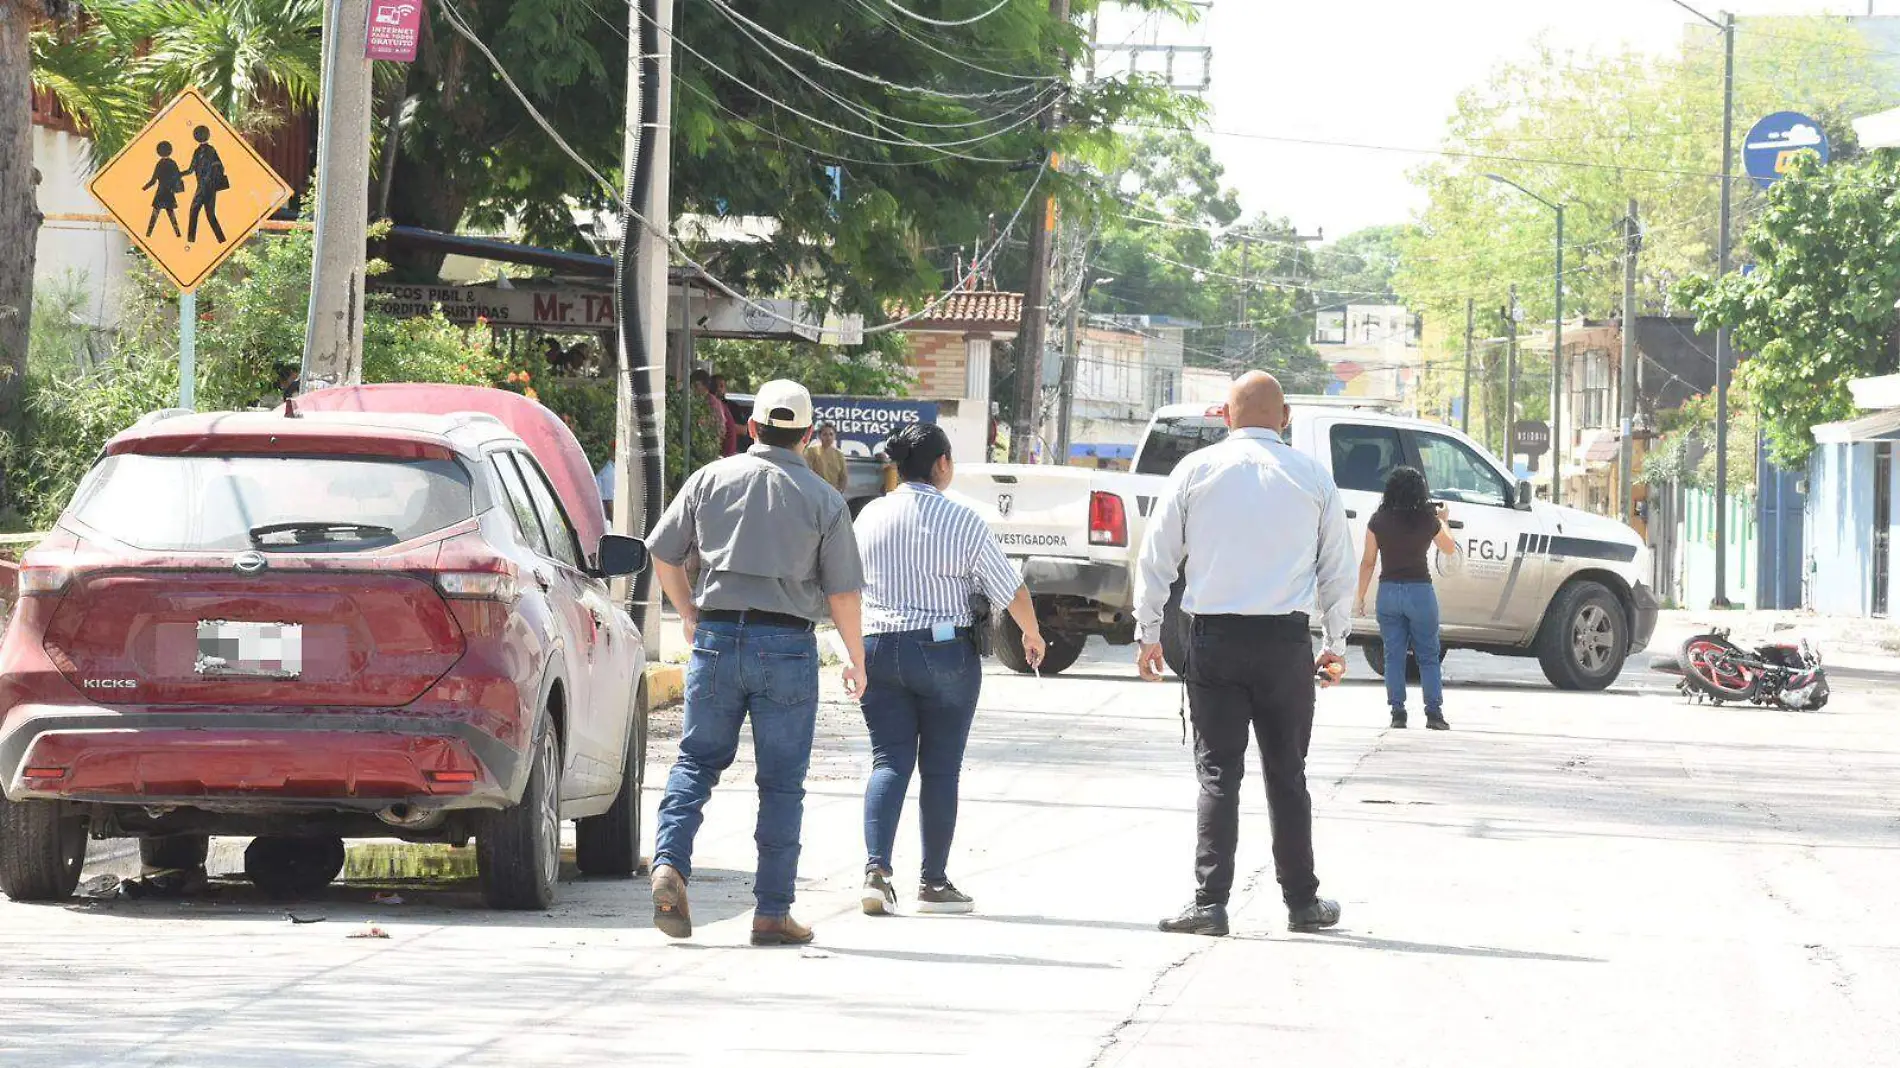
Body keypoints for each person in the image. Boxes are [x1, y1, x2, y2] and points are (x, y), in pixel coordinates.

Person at [1133, 371, 1355, 939]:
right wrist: (1335, 644)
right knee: (1288, 775)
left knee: (1217, 774)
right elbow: (1337, 571)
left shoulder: (1195, 470)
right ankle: (1303, 904)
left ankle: (1209, 905)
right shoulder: (1312, 477)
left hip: (1214, 642)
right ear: (1286, 420)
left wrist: (1148, 631)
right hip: (1285, 646)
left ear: (1224, 417)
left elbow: (1156, 556)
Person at [646, 379, 867, 948]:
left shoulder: (709, 479)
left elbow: (662, 551)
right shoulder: (824, 499)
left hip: (718, 638)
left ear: (752, 428)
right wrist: (856, 660)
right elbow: (842, 594)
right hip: (788, 647)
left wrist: (689, 613)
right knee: (782, 782)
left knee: (695, 761)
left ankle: (670, 863)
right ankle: (772, 913)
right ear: (809, 435)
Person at [853, 423, 1046, 917]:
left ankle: (877, 872)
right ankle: (933, 884)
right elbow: (1011, 590)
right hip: (943, 654)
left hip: (878, 648)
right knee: (940, 769)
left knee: (888, 762)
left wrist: (853, 649)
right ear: (941, 464)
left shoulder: (869, 516)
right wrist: (1031, 633)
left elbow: (845, 587)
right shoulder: (963, 520)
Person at [1354, 466, 1459, 730]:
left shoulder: (1378, 520)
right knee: (1428, 655)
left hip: (1388, 592)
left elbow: (1368, 562)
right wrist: (1444, 519)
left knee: (1394, 656)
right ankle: (1433, 714)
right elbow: (1448, 548)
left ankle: (1398, 712)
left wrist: (1360, 596)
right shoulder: (1427, 520)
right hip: (1420, 593)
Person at [186, 125, 227, 245]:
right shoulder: (211, 150)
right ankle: (221, 240)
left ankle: (191, 240)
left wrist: (178, 174)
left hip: (203, 187)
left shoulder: (198, 151)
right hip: (210, 188)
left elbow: (190, 170)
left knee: (194, 212)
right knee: (210, 214)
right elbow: (221, 167)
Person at [142, 141, 185, 238]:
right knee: (171, 214)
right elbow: (178, 176)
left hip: (161, 193)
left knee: (155, 215)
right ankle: (178, 234)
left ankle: (148, 234)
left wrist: (144, 188)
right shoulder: (173, 163)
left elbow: (153, 181)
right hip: (169, 193)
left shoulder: (160, 164)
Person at [691, 369, 732, 455]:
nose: (693, 389)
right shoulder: (698, 401)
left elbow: (721, 429)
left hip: (713, 450)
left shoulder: (712, 402)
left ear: (705, 386)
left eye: (696, 385)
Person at [805, 424, 849, 492]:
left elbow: (843, 477)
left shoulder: (839, 454)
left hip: (833, 493)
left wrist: (839, 492)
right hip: (816, 491)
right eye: (825, 434)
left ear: (835, 436)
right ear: (819, 436)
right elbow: (808, 473)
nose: (828, 437)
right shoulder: (812, 451)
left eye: (831, 434)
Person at [711, 374, 742, 456]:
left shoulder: (732, 406)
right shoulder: (706, 403)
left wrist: (727, 426)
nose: (718, 389)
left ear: (725, 388)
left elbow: (744, 430)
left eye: (721, 386)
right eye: (715, 386)